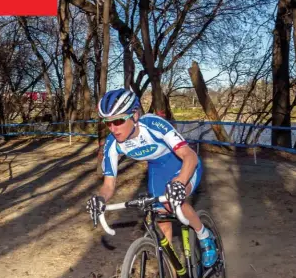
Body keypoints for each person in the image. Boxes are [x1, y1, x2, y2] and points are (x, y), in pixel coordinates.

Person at [86, 88, 217, 268]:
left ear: (135, 115)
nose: (113, 129)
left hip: (183, 165)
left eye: (117, 121)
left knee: (173, 200)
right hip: (157, 170)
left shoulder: (154, 125)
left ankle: (204, 235)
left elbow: (189, 156)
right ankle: (171, 275)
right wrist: (100, 199)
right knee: (160, 217)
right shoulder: (112, 144)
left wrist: (179, 181)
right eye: (107, 123)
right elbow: (109, 185)